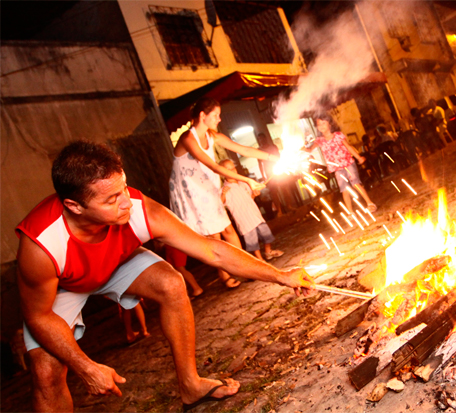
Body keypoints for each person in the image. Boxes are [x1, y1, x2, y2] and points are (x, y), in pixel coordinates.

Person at [16, 140, 314, 412]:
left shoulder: (138, 209)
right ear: (74, 206)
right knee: (46, 372)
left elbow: (213, 252)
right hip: (66, 286)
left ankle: (191, 385)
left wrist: (280, 276)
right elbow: (38, 316)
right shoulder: (41, 244)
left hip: (114, 262)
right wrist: (86, 367)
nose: (125, 202)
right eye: (110, 200)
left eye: (124, 188)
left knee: (171, 283)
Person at [169, 97, 278, 289]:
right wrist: (247, 180)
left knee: (229, 230)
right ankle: (224, 274)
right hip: (192, 193)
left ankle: (243, 267)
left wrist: (273, 157)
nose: (219, 119)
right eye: (216, 116)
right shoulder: (187, 138)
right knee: (215, 235)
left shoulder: (213, 136)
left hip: (207, 187)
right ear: (203, 116)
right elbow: (213, 166)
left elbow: (243, 149)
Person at [305, 113, 377, 214]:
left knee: (356, 184)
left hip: (348, 163)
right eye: (319, 124)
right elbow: (310, 149)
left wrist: (358, 157)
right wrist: (304, 148)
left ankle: (370, 203)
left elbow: (348, 147)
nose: (321, 126)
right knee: (344, 189)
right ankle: (350, 213)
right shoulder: (320, 141)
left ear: (330, 124)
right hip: (336, 169)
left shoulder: (338, 135)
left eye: (323, 123)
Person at [220, 159, 284, 261]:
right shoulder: (225, 189)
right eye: (229, 169)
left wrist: (254, 194)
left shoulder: (243, 183)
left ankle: (268, 252)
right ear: (223, 172)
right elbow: (221, 203)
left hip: (256, 216)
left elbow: (250, 197)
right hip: (244, 221)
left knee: (266, 235)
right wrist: (223, 194)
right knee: (252, 243)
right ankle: (259, 259)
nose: (233, 171)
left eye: (233, 168)